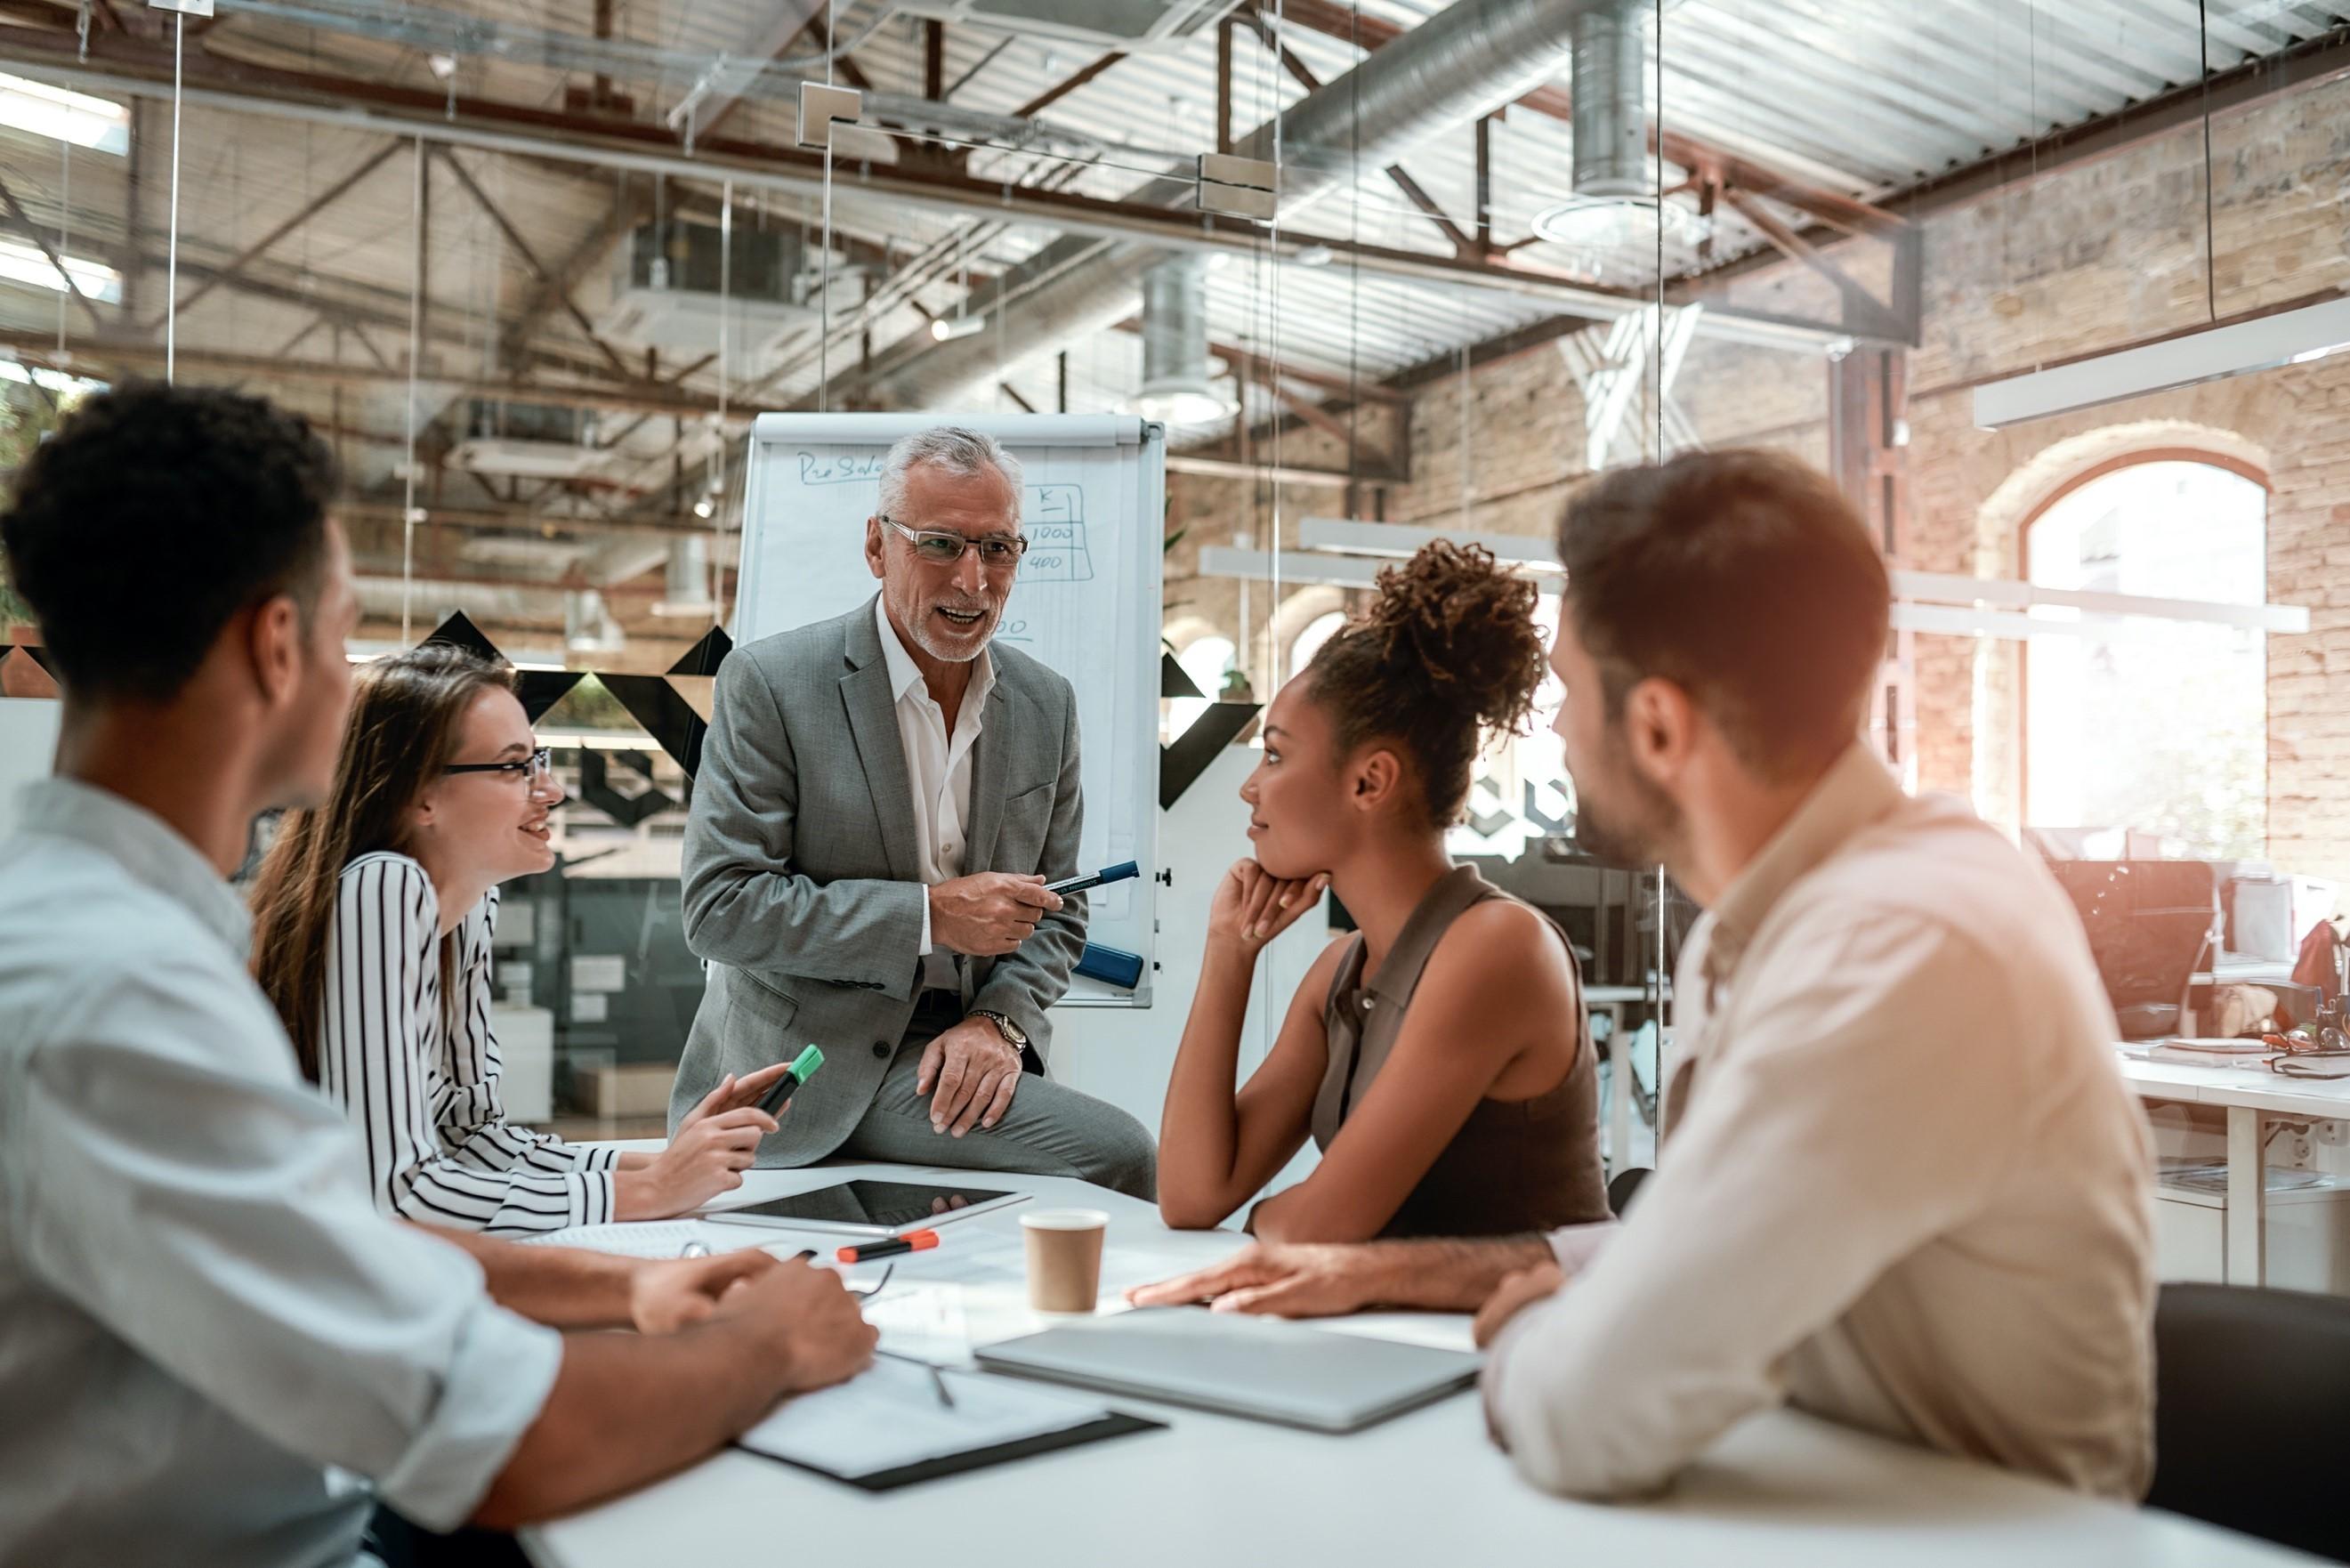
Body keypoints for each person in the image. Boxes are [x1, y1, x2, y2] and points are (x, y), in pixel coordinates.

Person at [1135, 449, 2157, 1503]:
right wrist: (1388, 1271)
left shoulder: (1898, 954)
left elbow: (1590, 1415)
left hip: (1981, 1534)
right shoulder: (1768, 924)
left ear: (1660, 724)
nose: (1559, 731)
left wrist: (1532, 1318)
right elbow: (1698, 1250)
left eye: (1574, 692)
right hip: (1822, 1485)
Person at [0, 384, 876, 1564]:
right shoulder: (119, 992)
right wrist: (770, 1339)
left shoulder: (117, 927)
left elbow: (352, 1240)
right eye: (346, 626)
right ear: (275, 643)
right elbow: (514, 1442)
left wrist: (622, 1293)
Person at [673, 425, 1157, 1198]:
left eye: (998, 549)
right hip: (813, 1067)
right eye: (941, 545)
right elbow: (721, 909)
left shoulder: (1045, 703)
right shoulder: (771, 682)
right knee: (1118, 1152)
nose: (973, 581)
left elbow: (1059, 910)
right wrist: (929, 917)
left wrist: (999, 1022)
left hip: (965, 1038)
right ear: (877, 547)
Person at [249, 643, 789, 1233]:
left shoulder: (468, 906)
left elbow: (474, 1140)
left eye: (539, 759)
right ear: (418, 795)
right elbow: (396, 1195)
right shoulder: (385, 885)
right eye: (514, 766)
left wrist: (669, 1161)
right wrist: (650, 1190)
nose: (550, 790)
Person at [1155, 542, 1607, 1242]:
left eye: (1274, 754)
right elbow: (1190, 1195)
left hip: (1514, 1343)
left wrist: (1273, 1216)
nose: (1251, 786)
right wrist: (1228, 952)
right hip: (1396, 1339)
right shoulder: (1340, 973)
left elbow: (1316, 1230)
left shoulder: (1494, 947)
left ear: (1370, 782)